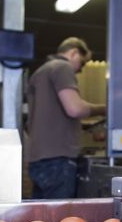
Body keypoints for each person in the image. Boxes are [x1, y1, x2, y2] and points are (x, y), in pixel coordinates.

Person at [25, 37, 106, 199]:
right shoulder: (62, 67)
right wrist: (104, 109)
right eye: (82, 63)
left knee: (42, 212)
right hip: (58, 160)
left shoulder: (40, 72)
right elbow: (75, 109)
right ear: (74, 53)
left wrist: (81, 127)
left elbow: (44, 119)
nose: (80, 70)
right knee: (60, 213)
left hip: (39, 159)